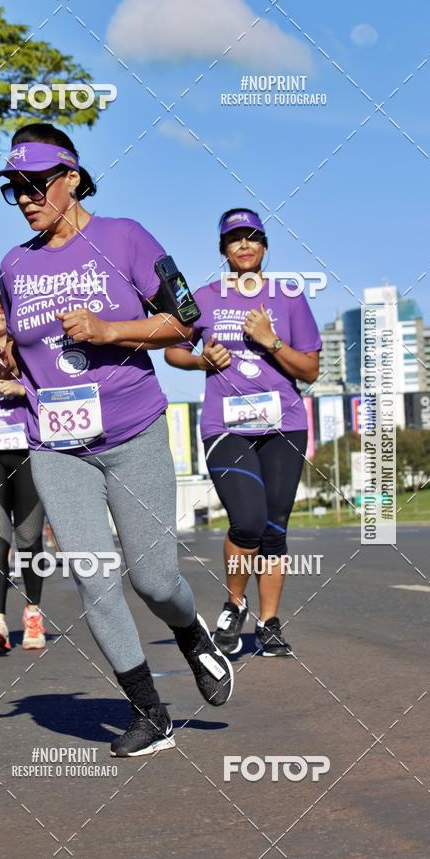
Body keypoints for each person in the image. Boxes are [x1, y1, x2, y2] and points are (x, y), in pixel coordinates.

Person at [0, 122, 234, 757]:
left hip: (132, 429)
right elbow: (28, 345)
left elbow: (187, 319)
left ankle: (190, 632)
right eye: (15, 189)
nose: (28, 197)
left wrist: (109, 330)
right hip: (56, 443)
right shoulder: (16, 265)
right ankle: (149, 713)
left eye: (37, 184)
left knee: (152, 579)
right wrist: (0, 357)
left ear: (72, 176)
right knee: (94, 576)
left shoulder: (124, 237)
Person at [165, 208, 321, 657]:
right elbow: (174, 351)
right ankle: (234, 604)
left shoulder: (288, 297)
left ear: (265, 246)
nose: (244, 245)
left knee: (274, 528)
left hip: (284, 425)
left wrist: (271, 339)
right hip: (225, 425)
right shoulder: (205, 297)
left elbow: (309, 369)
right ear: (223, 250)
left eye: (252, 237)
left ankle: (269, 623)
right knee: (248, 520)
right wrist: (201, 360)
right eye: (234, 239)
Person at [0, 286, 46, 652]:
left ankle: (33, 613)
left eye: (2, 305)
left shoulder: (32, 351)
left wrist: (21, 389)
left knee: (30, 539)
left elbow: (55, 391)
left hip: (29, 450)